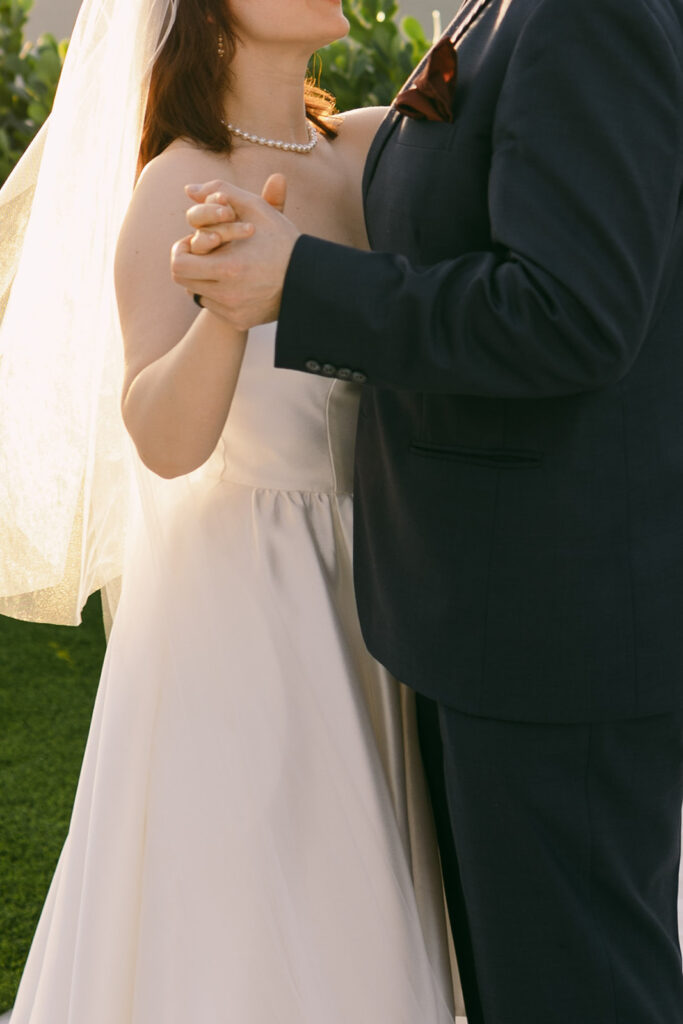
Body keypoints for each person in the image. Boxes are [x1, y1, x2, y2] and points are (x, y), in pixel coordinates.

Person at [171, 0, 683, 1020]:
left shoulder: (589, 16)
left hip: (554, 628)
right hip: (492, 617)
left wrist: (300, 280)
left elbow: (569, 313)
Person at [0, 0, 462, 1021]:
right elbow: (160, 438)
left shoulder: (367, 149)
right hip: (249, 613)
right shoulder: (172, 186)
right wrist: (223, 315)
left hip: (375, 582)